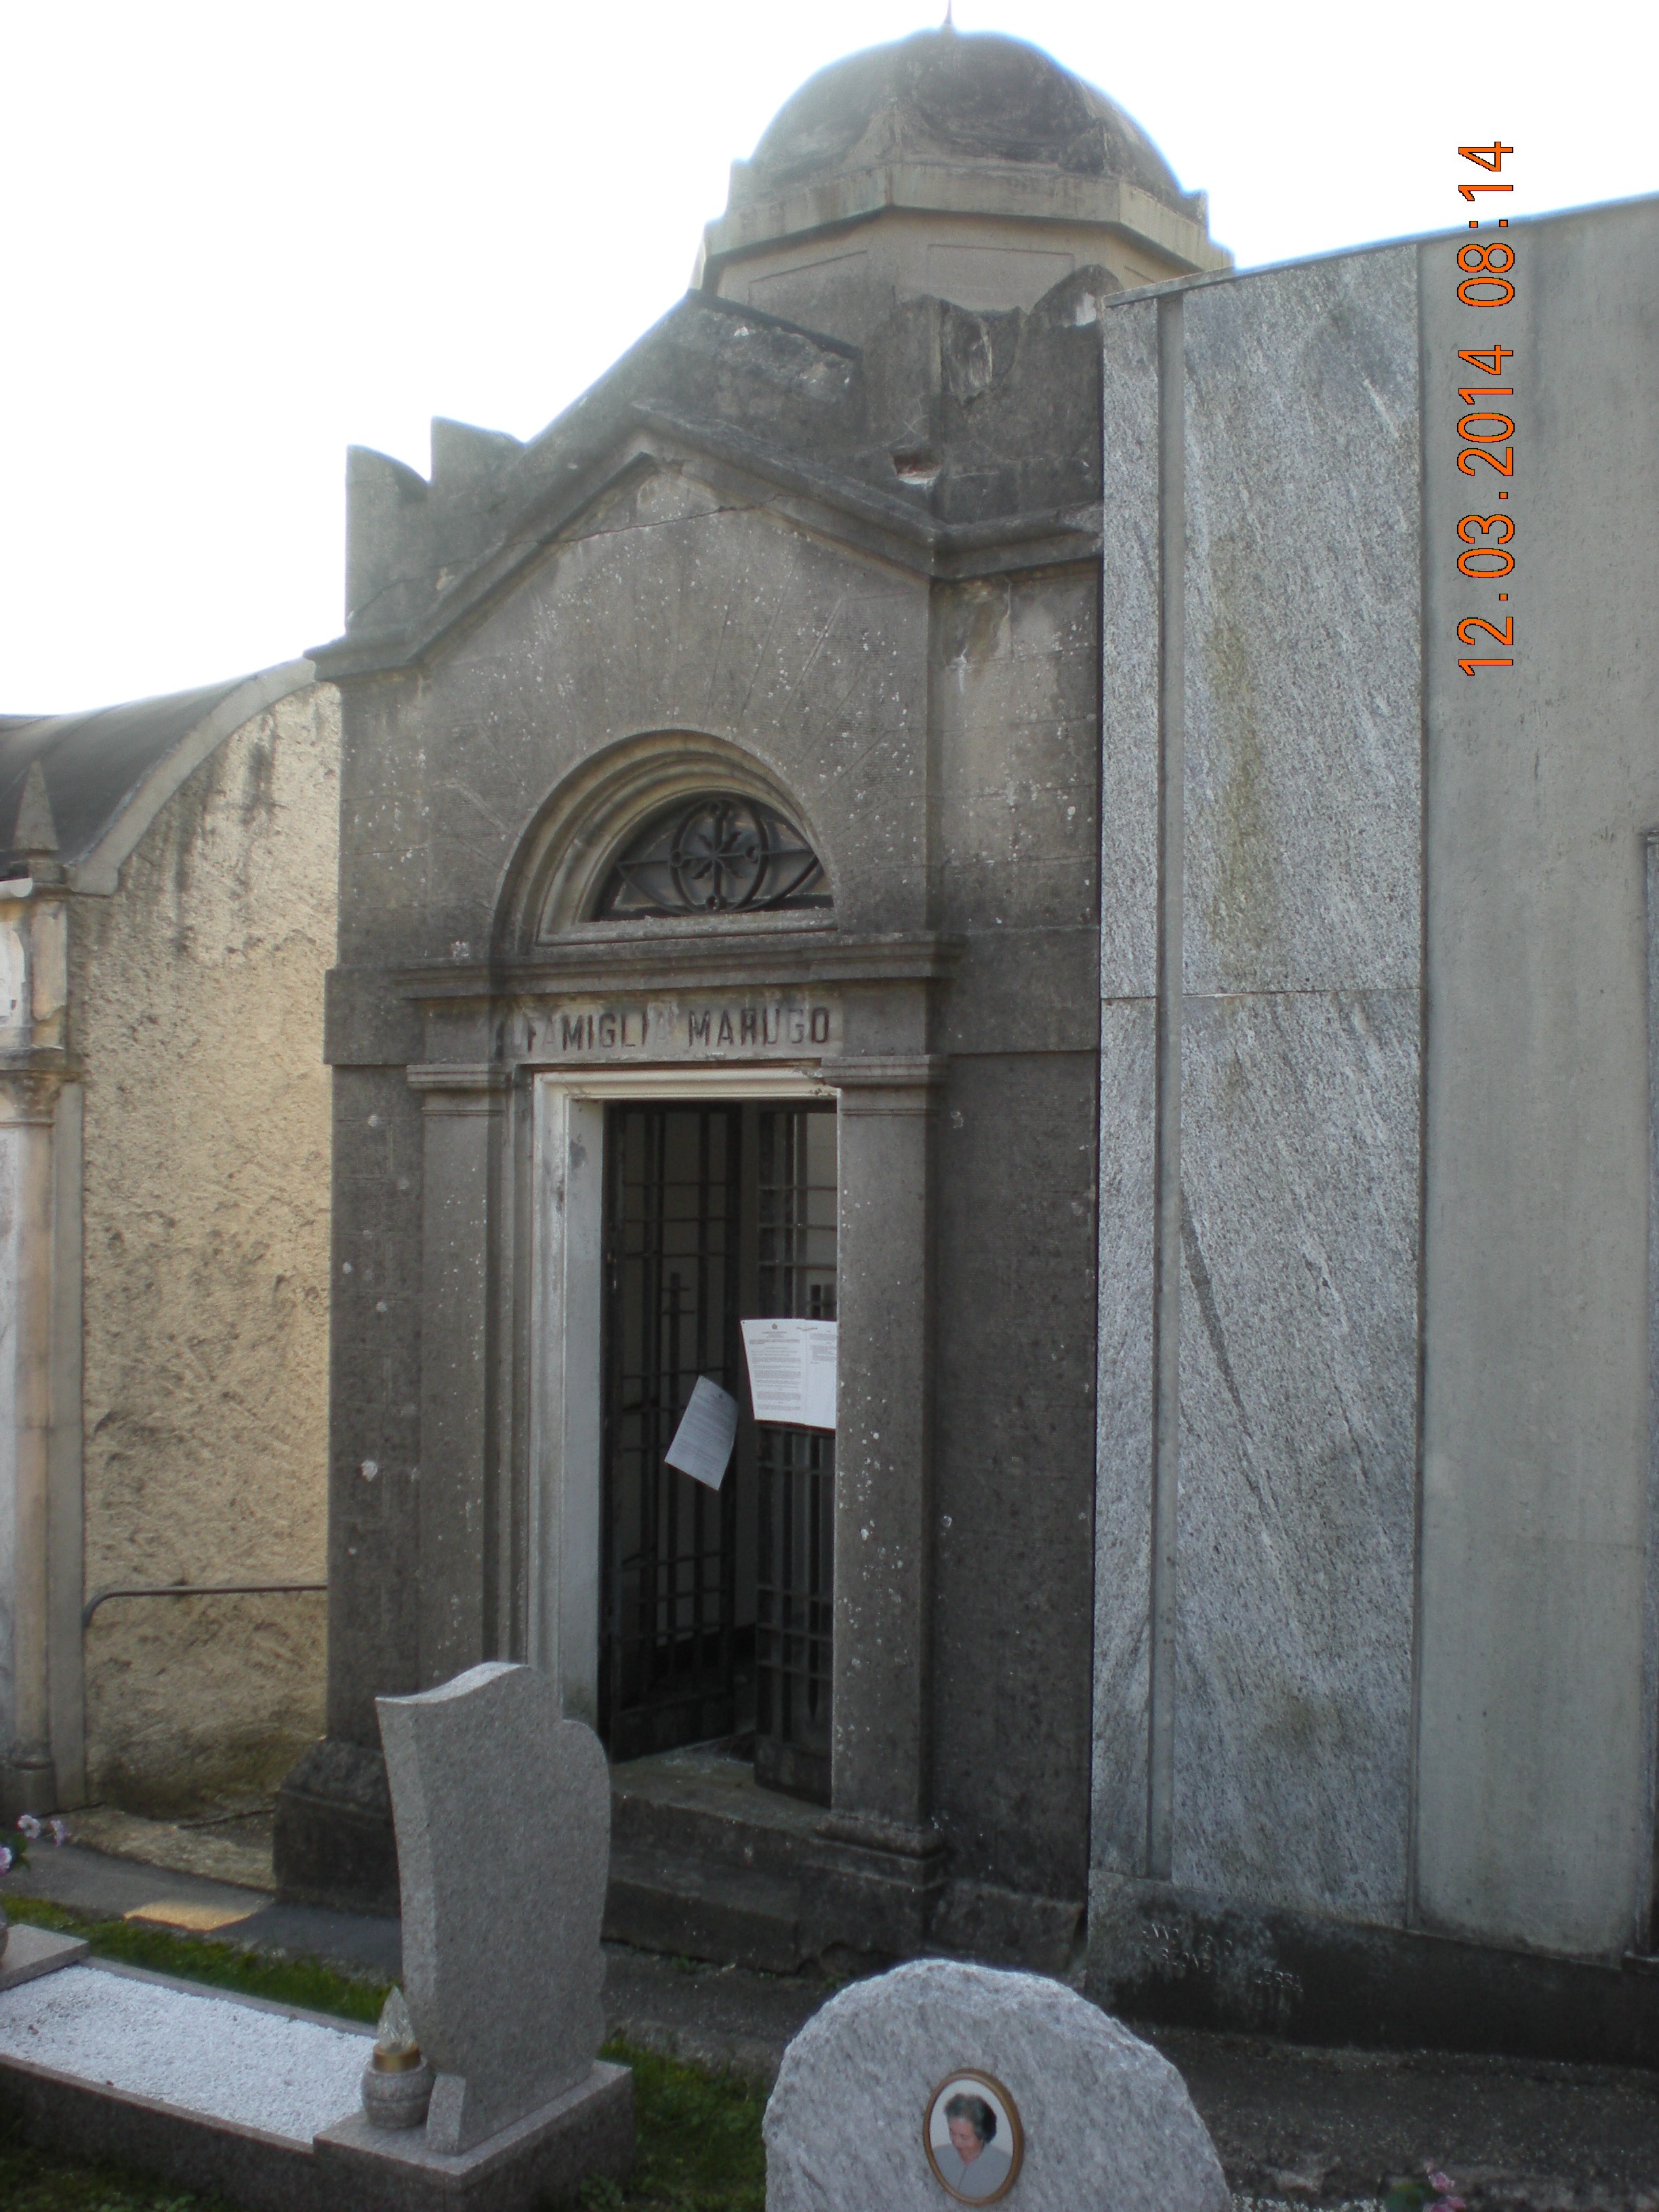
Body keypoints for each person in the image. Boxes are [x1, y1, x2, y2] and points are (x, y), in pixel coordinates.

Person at [933, 2090, 1012, 2200]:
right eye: (952, 2132)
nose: (956, 2141)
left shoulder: (1003, 2166)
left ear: (982, 2136)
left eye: (964, 2137)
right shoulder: (938, 2155)